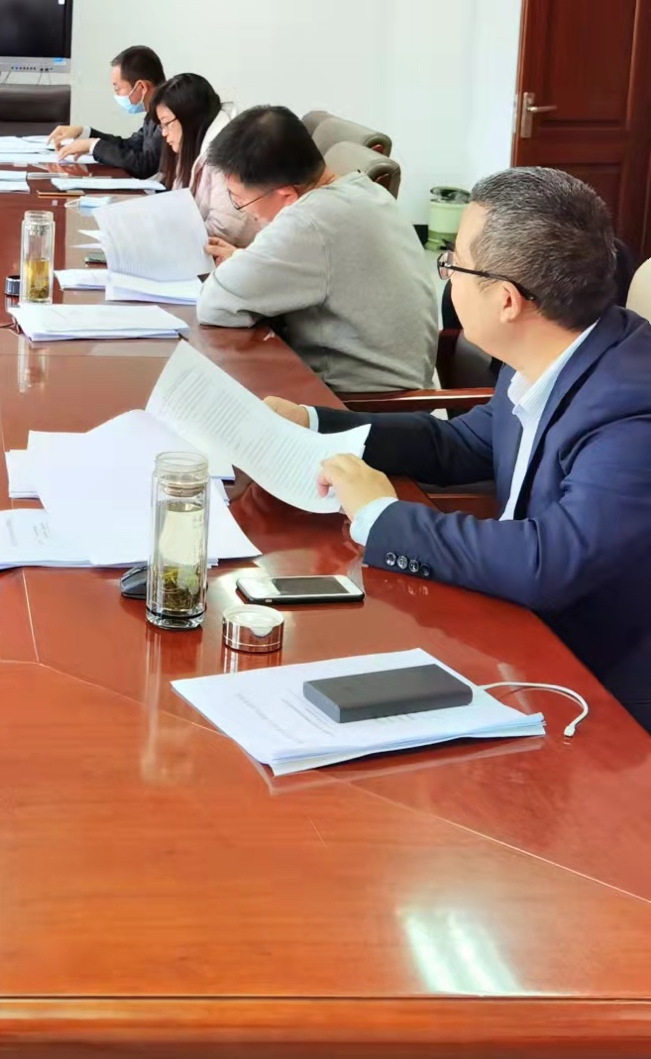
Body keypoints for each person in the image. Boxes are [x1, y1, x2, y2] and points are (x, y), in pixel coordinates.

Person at [267, 167, 651, 731]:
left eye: (453, 264)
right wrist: (315, 423)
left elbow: (550, 563)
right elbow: (461, 443)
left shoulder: (631, 409)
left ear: (507, 300)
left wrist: (382, 516)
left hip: (599, 693)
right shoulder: (555, 349)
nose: (445, 278)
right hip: (518, 628)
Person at [196, 104, 437, 393]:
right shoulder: (362, 189)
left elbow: (215, 304)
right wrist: (247, 259)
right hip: (398, 391)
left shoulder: (308, 221)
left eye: (239, 200)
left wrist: (246, 266)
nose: (243, 210)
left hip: (358, 404)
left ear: (286, 195)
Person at [150, 72, 255, 247]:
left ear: (189, 118)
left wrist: (163, 239)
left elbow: (225, 232)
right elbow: (178, 206)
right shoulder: (192, 145)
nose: (164, 133)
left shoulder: (228, 155)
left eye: (166, 124)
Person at [49, 45, 165, 178]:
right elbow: (130, 146)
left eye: (117, 88)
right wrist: (85, 133)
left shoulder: (168, 114)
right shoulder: (154, 113)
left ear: (141, 87)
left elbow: (145, 165)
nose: (116, 95)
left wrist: (93, 145)